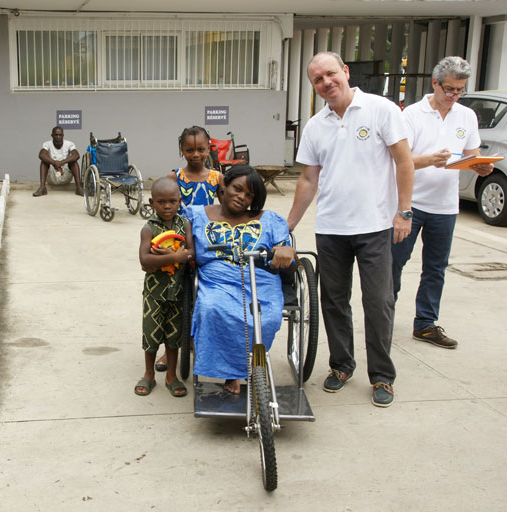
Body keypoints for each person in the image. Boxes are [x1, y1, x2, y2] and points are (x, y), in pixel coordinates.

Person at [287, 51, 415, 408]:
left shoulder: (381, 109)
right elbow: (309, 179)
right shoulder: (316, 125)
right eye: (317, 80)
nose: (326, 83)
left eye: (331, 74)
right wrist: (289, 225)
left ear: (345, 72)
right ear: (313, 86)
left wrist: (404, 211)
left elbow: (403, 160)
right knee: (333, 301)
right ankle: (341, 366)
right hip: (331, 229)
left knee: (378, 302)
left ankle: (382, 377)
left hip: (375, 226)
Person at [392, 56, 494, 349]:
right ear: (434, 83)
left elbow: (471, 154)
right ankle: (383, 318)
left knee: (435, 268)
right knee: (395, 264)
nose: (453, 96)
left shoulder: (466, 116)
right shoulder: (411, 114)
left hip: (446, 206)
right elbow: (400, 160)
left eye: (459, 90)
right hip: (410, 203)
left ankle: (425, 324)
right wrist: (429, 160)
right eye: (449, 89)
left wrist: (481, 166)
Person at [185, 165, 295, 394]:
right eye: (238, 189)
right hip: (218, 278)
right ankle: (231, 373)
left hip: (260, 277)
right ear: (224, 185)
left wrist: (286, 250)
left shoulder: (271, 220)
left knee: (267, 318)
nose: (242, 197)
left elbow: (285, 249)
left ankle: (250, 368)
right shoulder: (195, 215)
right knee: (212, 308)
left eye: (249, 195)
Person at [154, 125, 224, 372]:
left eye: (201, 149)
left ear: (209, 148)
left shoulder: (216, 178)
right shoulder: (175, 177)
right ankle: (169, 350)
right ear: (181, 150)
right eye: (190, 149)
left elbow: (227, 209)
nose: (196, 154)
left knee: (202, 294)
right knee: (175, 296)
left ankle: (194, 341)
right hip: (180, 242)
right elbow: (164, 208)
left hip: (207, 242)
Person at [135, 178, 194, 397]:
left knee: (174, 336)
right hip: (154, 294)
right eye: (161, 202)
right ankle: (149, 374)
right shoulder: (149, 228)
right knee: (151, 335)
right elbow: (143, 258)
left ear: (179, 201)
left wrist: (177, 255)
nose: (167, 206)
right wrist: (174, 256)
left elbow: (192, 253)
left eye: (172, 201)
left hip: (178, 293)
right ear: (152, 203)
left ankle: (171, 375)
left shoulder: (185, 224)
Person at [33, 126, 83, 197]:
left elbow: (76, 155)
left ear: (63, 135)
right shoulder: (47, 144)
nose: (58, 137)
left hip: (65, 175)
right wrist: (54, 163)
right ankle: (42, 188)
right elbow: (41, 155)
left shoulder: (69, 144)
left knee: (73, 161)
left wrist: (61, 163)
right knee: (44, 161)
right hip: (52, 176)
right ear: (52, 135)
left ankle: (79, 188)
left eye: (60, 135)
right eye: (56, 135)